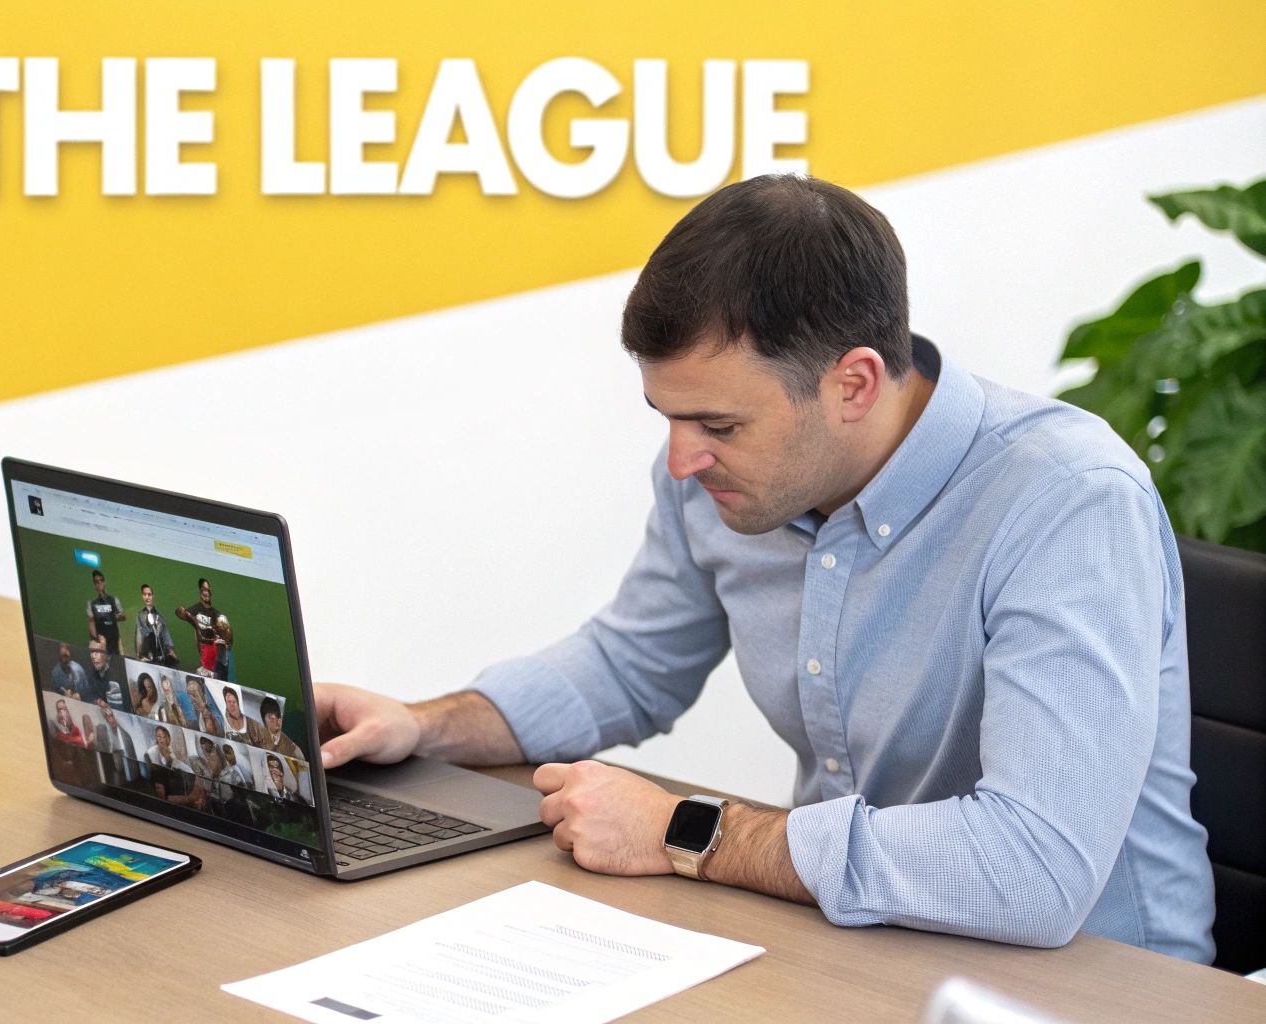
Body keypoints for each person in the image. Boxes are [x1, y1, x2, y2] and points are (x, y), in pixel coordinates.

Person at [309, 175, 1215, 963]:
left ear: (854, 383)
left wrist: (686, 832)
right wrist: (423, 727)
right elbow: (631, 664)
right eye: (668, 416)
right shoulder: (723, 483)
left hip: (1097, 985)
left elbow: (1032, 870)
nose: (680, 461)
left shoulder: (1067, 502)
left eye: (718, 426)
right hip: (853, 946)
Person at [176, 578, 232, 677]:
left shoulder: (216, 613)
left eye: (208, 589)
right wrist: (194, 622)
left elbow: (227, 636)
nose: (206, 592)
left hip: (218, 660)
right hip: (205, 658)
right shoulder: (195, 610)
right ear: (200, 591)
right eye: (204, 589)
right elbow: (180, 612)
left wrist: (225, 638)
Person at [92, 702, 140, 784]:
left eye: (112, 716)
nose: (111, 720)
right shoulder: (101, 732)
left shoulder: (127, 734)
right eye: (107, 717)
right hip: (111, 775)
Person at [134, 583, 178, 665]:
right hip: (146, 659)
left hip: (160, 657)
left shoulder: (160, 617)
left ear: (153, 596)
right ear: (142, 597)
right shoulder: (140, 616)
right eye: (144, 594)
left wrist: (171, 651)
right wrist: (139, 655)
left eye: (149, 594)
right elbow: (138, 638)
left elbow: (166, 635)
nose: (147, 597)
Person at [86, 570, 127, 656]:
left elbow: (123, 617)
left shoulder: (114, 600)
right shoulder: (91, 604)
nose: (99, 583)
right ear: (95, 585)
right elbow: (91, 623)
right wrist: (96, 640)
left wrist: (116, 617)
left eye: (101, 580)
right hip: (101, 643)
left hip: (115, 641)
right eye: (96, 582)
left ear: (105, 583)